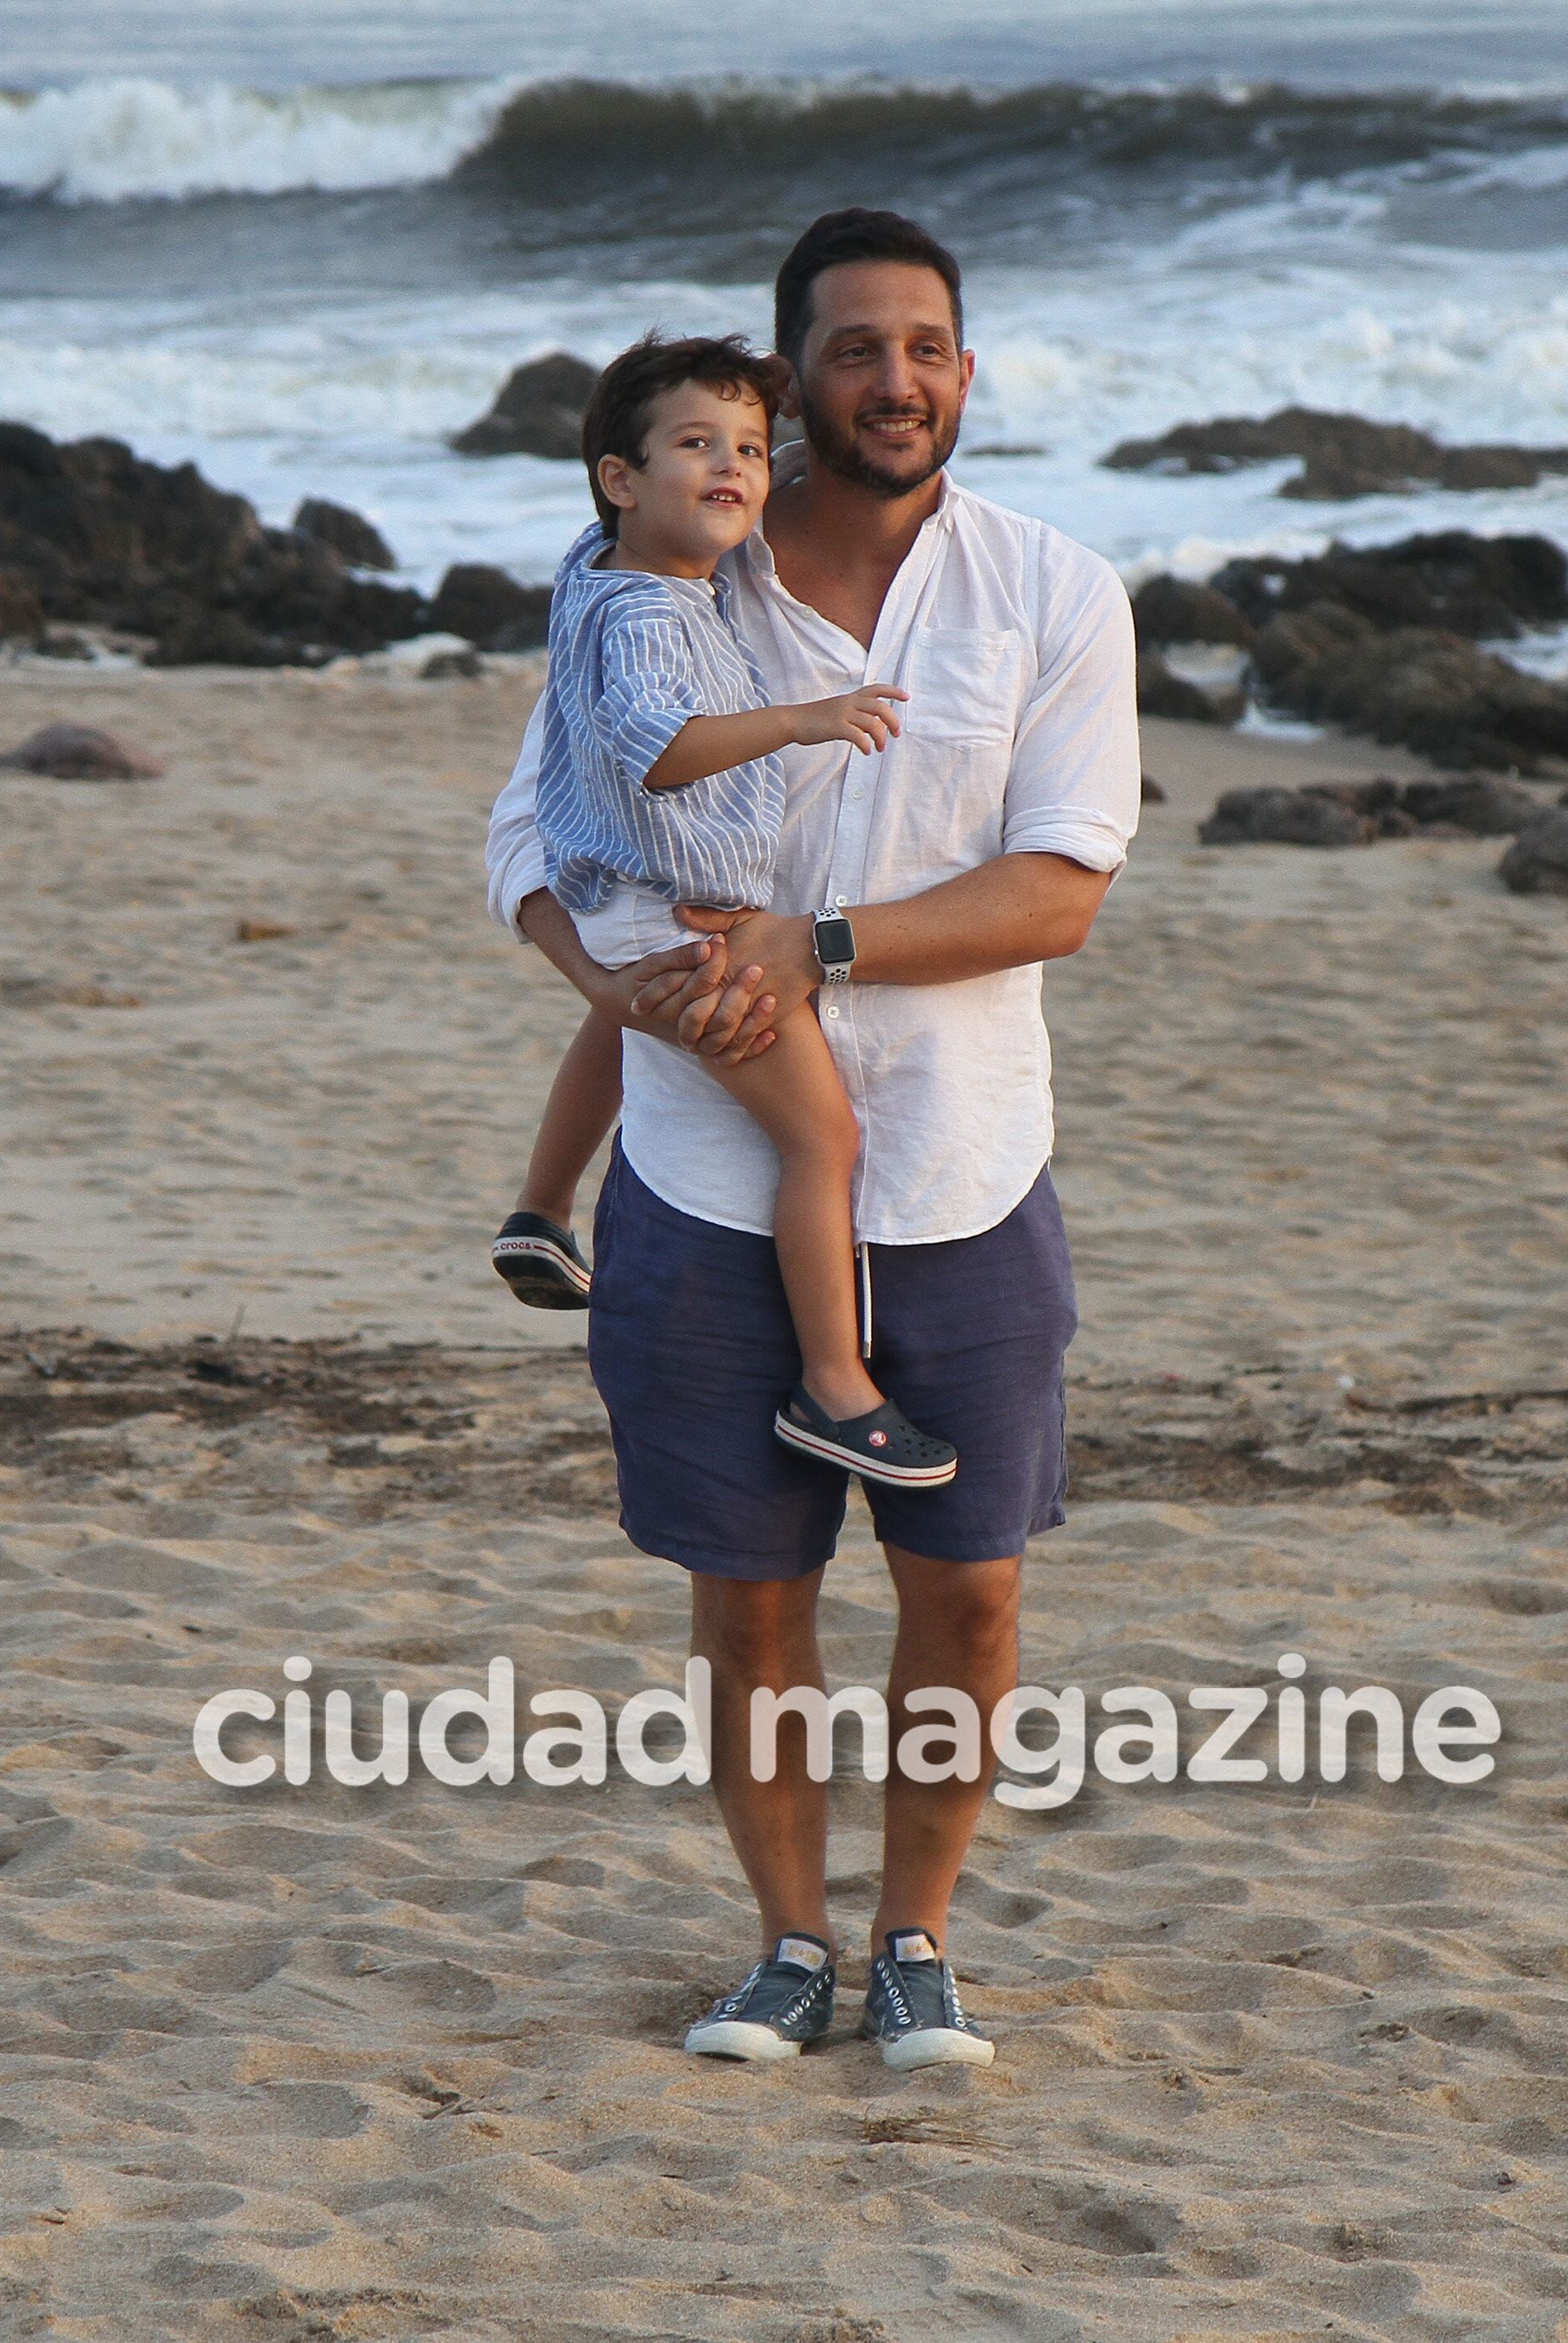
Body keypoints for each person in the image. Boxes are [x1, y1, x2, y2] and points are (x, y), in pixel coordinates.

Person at [486, 208, 1140, 2070]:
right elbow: (528, 833)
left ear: (963, 365)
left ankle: (916, 1939)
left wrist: (817, 945)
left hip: (964, 1163)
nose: (898, 380)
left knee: (975, 1590)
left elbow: (1059, 891)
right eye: (854, 349)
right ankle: (786, 1943)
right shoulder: (669, 575)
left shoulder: (1049, 589)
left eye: (927, 344)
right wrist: (609, 988)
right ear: (785, 378)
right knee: (751, 1604)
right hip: (702, 1163)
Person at [493, 332, 956, 1489]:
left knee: (620, 1016)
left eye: (751, 448)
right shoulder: (653, 613)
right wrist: (804, 717)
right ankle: (834, 1387)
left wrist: (778, 438)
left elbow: (688, 491)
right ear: (621, 480)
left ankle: (541, 1210)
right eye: (697, 447)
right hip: (669, 904)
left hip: (615, 893)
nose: (735, 469)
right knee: (821, 1135)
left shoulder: (597, 567)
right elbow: (661, 748)